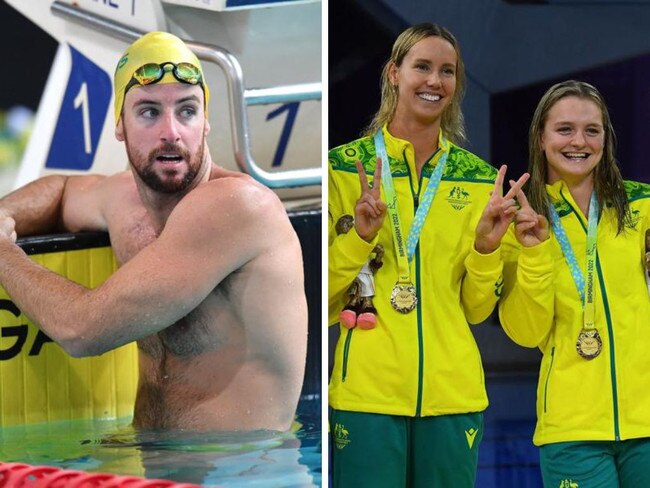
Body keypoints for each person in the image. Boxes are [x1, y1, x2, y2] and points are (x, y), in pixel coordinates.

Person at [0, 31, 307, 432]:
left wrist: (3, 253)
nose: (172, 132)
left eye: (187, 110)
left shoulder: (238, 207)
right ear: (120, 125)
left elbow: (81, 330)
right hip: (150, 460)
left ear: (206, 121)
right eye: (148, 112)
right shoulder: (124, 198)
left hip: (243, 468)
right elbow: (61, 192)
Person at [328, 23, 527, 487]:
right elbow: (322, 299)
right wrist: (358, 236)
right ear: (394, 73)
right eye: (422, 67)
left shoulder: (481, 181)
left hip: (453, 398)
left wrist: (484, 250)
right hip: (367, 398)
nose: (435, 81)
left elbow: (477, 309)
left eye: (447, 71)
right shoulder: (342, 169)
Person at [499, 80, 650, 487]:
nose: (579, 142)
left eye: (592, 130)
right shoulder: (522, 220)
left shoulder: (643, 208)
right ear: (541, 136)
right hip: (572, 431)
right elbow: (525, 331)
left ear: (606, 138)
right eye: (565, 129)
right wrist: (532, 252)